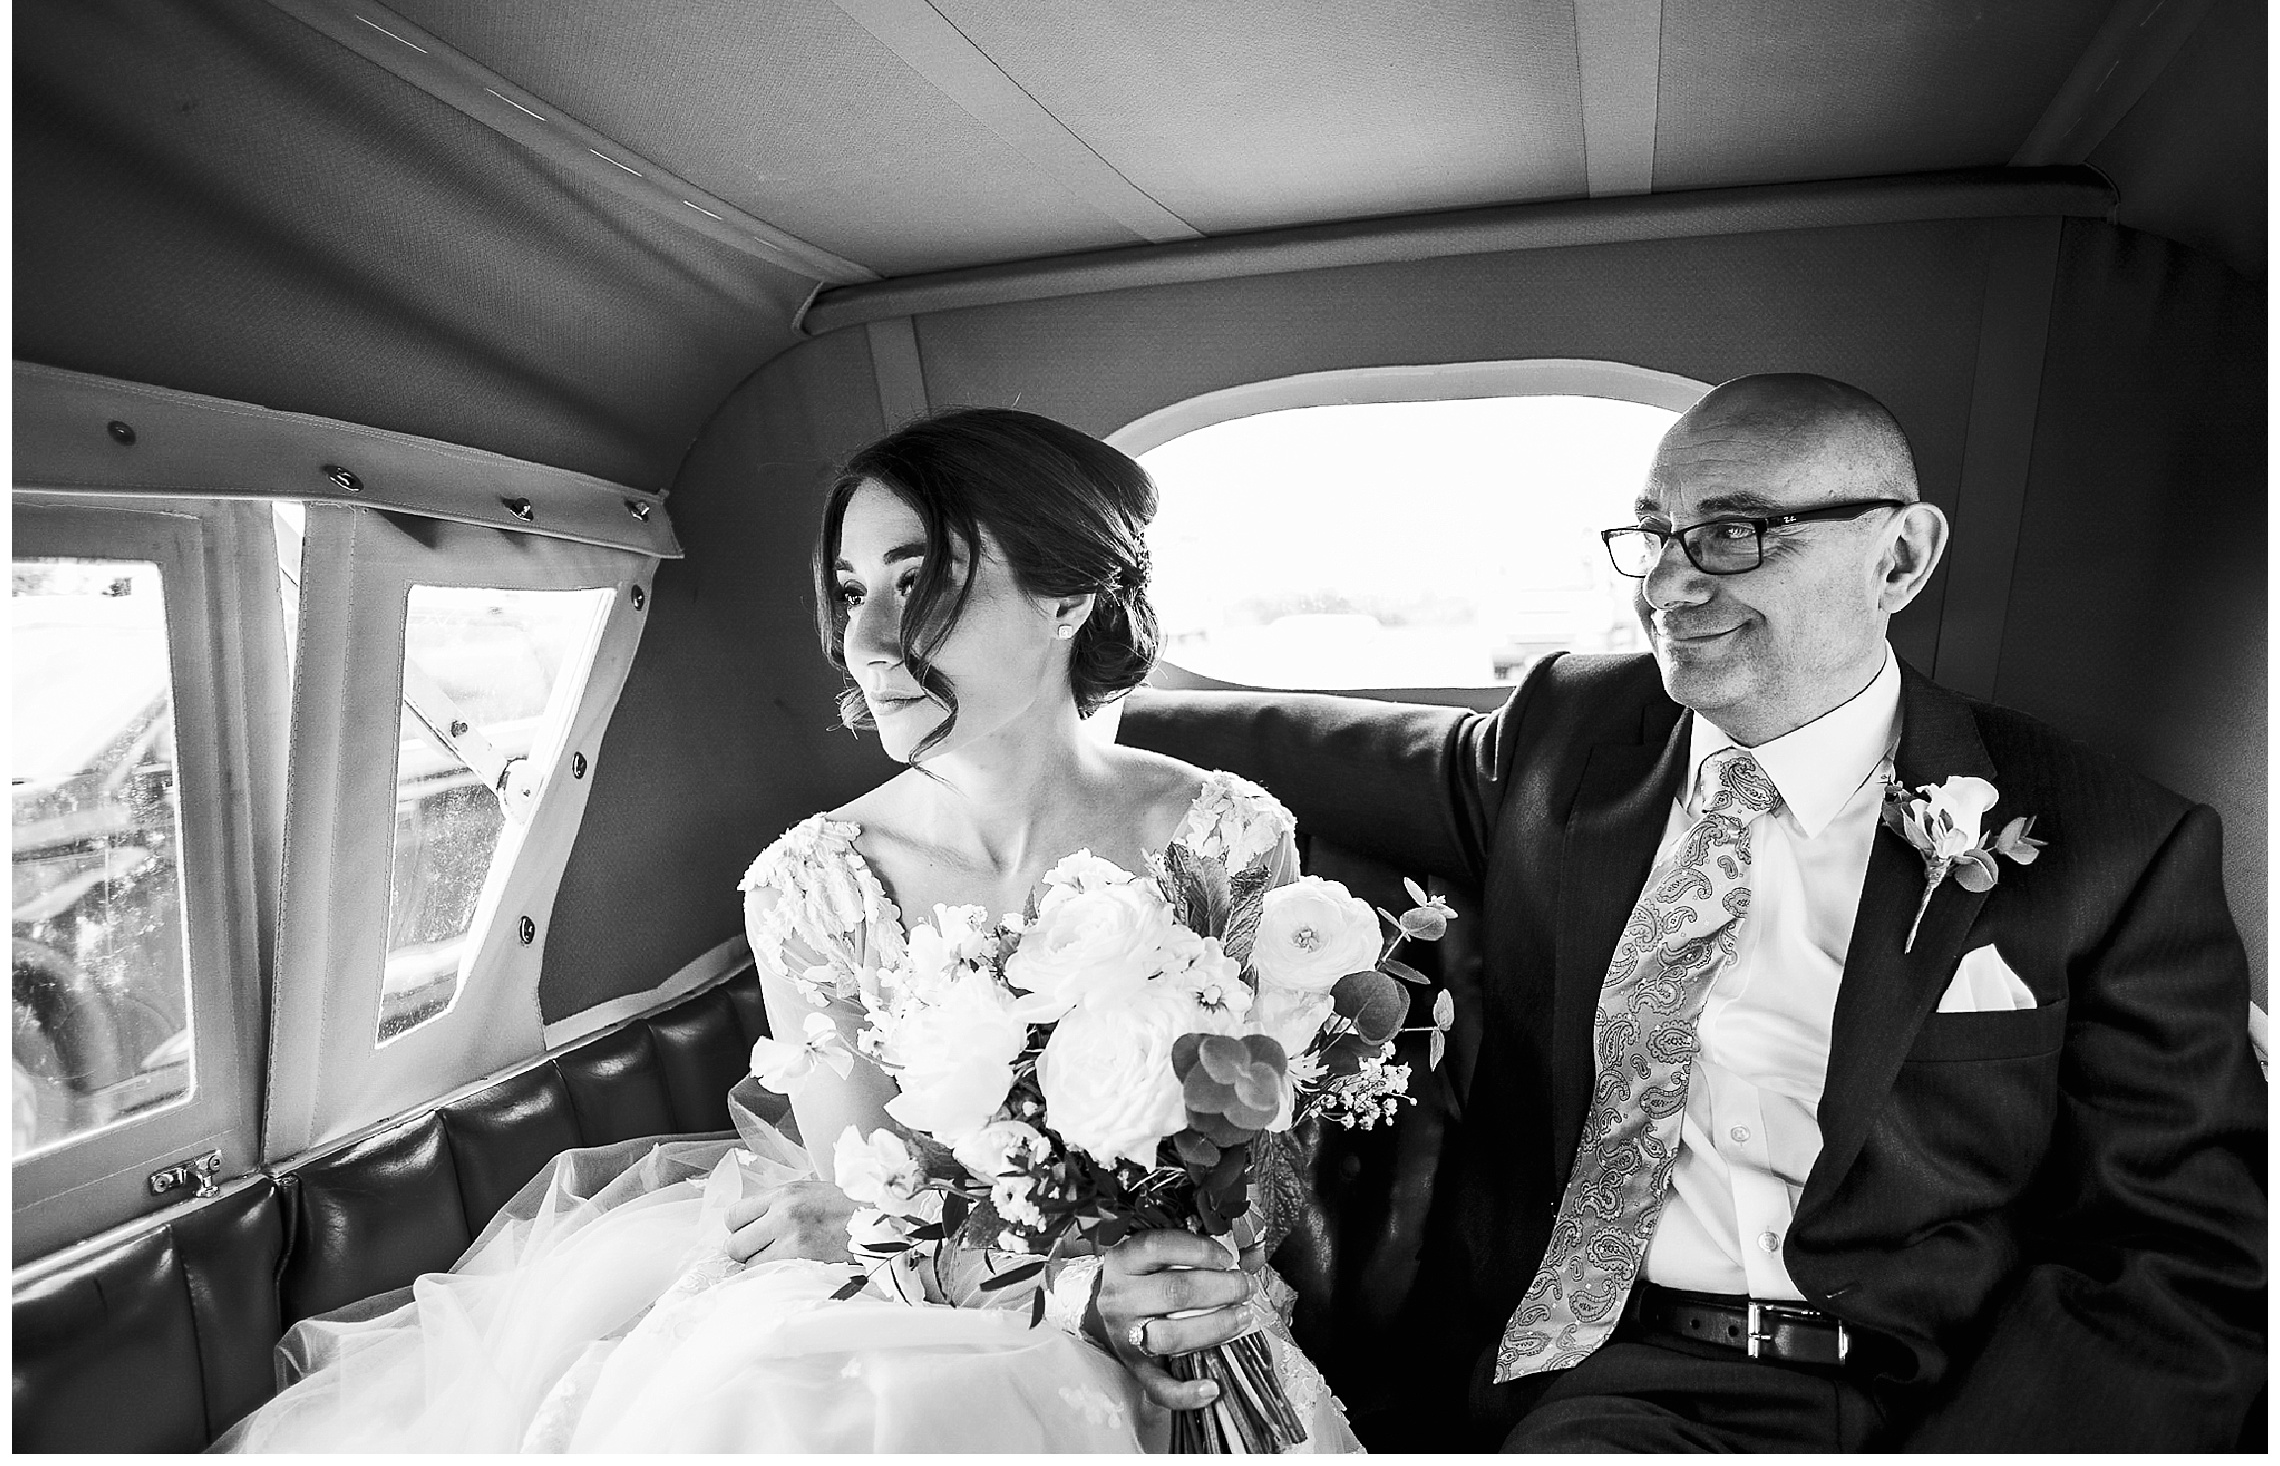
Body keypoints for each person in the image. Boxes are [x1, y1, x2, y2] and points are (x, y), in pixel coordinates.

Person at [1121, 373, 2266, 1451]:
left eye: (1731, 533)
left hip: (1939, 1392)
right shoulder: (1571, 739)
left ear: (1900, 557)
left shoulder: (2113, 843)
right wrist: (1069, 699)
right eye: (1653, 534)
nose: (1666, 583)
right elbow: (1299, 747)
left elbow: (2186, 1256)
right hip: (1584, 1373)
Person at [219, 408, 1361, 1452]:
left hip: (1188, 1298)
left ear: (1066, 599)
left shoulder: (1225, 839)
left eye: (916, 581)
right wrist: (1070, 1289)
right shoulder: (815, 884)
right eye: (849, 587)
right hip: (928, 1309)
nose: (863, 638)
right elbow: (865, 1205)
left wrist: (1172, 1276)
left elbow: (1267, 1158)